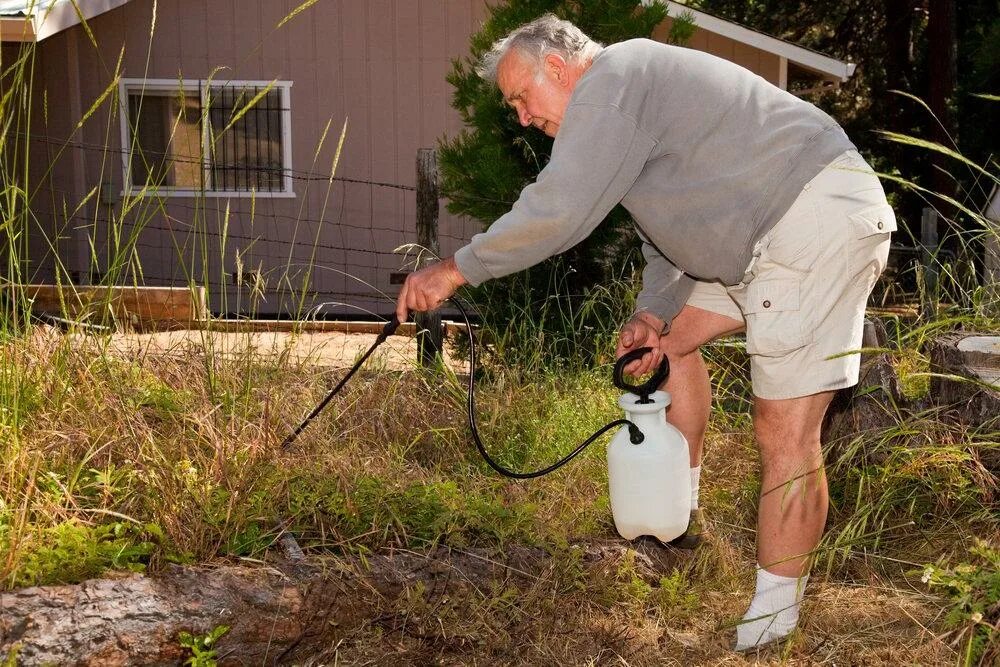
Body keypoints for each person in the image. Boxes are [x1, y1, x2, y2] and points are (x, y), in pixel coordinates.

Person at [394, 14, 895, 652]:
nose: (521, 117)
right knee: (665, 348)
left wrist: (456, 269)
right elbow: (668, 231)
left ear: (556, 66)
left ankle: (773, 623)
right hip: (759, 232)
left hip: (810, 214)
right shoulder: (628, 98)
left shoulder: (615, 79)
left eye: (521, 98)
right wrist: (655, 314)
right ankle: (678, 523)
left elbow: (559, 211)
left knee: (785, 428)